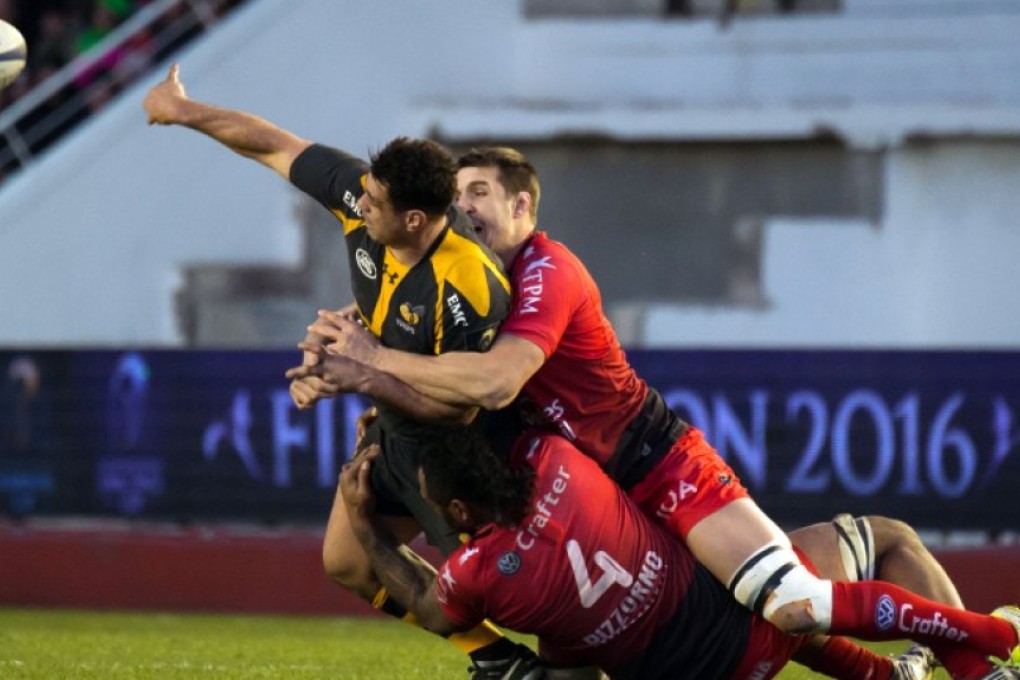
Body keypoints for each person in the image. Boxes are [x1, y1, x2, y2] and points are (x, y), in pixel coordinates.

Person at [295, 147, 1020, 678]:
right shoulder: (474, 292)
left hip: (654, 462)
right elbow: (457, 387)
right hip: (601, 500)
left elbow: (494, 385)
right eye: (457, 195)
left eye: (480, 191)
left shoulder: (546, 271)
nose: (465, 208)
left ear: (523, 206)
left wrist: (372, 364)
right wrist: (378, 392)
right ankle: (905, 674)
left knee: (790, 607)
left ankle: (990, 651)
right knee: (743, 623)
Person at [142, 67, 540, 680]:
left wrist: (358, 375)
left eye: (375, 203)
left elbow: (461, 409)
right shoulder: (367, 196)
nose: (359, 203)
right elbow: (276, 145)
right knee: (348, 563)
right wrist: (183, 111)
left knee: (532, 594)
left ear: (414, 221)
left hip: (458, 453)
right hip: (393, 426)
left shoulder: (468, 285)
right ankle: (493, 658)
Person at [340, 426, 1020, 680]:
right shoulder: (555, 461)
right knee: (880, 543)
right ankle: (988, 646)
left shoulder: (476, 576)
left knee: (563, 654)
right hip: (737, 623)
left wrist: (368, 523)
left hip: (684, 667)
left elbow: (429, 606)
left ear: (457, 515)